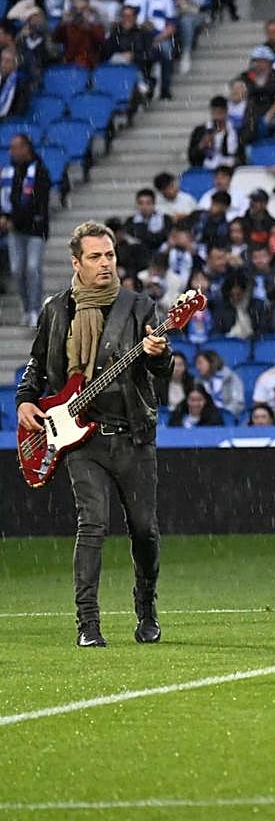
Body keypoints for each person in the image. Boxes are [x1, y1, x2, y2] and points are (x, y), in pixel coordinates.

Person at [15, 221, 172, 647]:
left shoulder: (140, 307)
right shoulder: (56, 309)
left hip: (133, 436)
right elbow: (35, 369)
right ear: (76, 263)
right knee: (93, 525)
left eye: (110, 256)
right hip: (81, 440)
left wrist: (159, 356)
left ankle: (147, 607)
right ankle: (88, 622)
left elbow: (164, 373)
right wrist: (25, 401)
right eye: (95, 257)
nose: (105, 264)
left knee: (144, 530)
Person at [2, 134, 51, 326]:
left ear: (26, 148)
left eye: (15, 147)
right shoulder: (9, 172)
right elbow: (8, 198)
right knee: (16, 270)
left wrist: (14, 219)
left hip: (35, 229)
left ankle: (35, 308)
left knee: (32, 268)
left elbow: (36, 203)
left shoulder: (39, 171)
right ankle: (26, 306)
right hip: (16, 229)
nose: (11, 152)